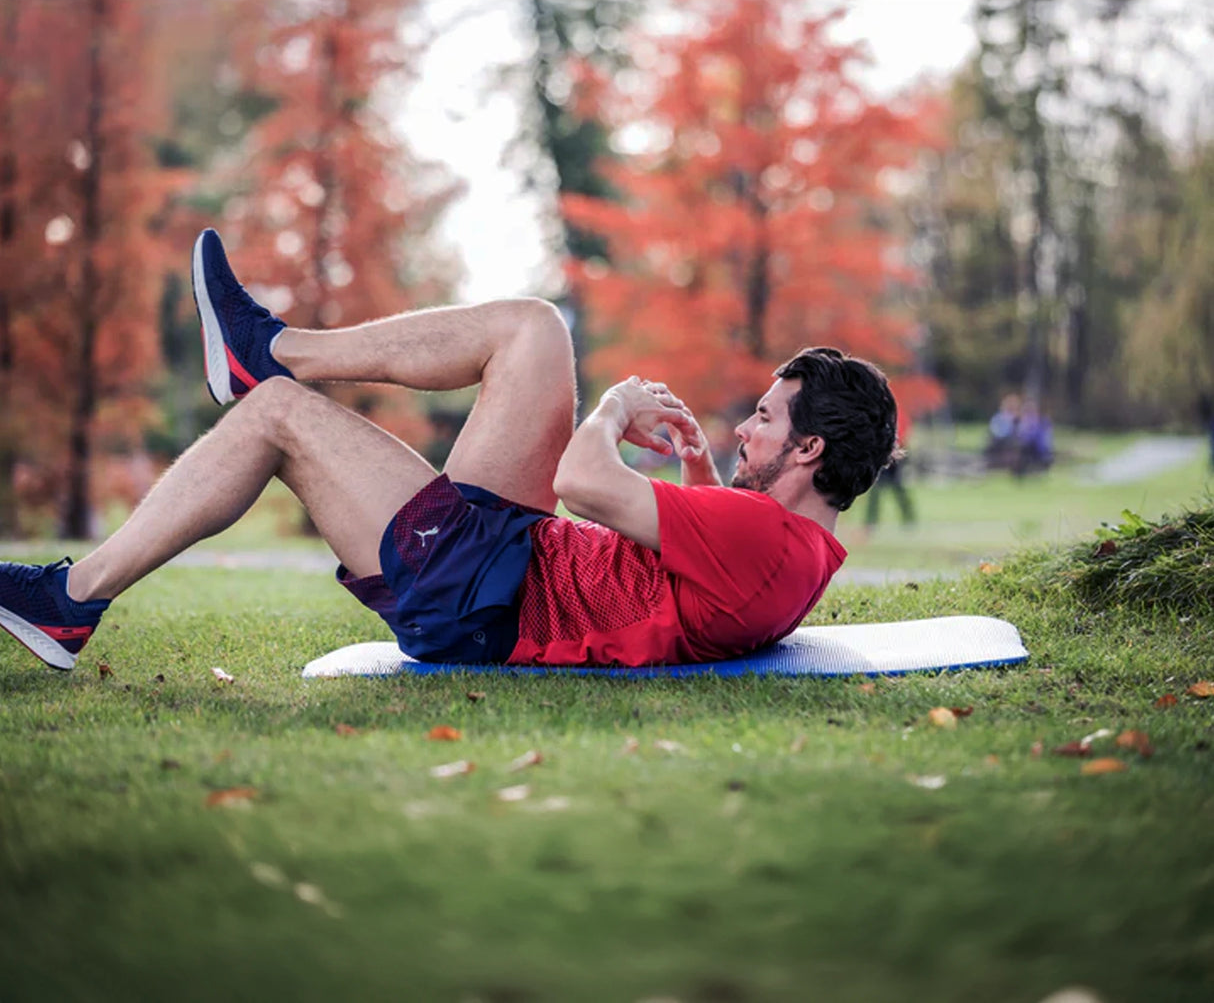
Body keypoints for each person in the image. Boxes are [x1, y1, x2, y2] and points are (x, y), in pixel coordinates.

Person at [0, 229, 898, 673]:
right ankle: (265, 346)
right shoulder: (792, 548)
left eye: (770, 421)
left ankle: (70, 602)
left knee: (279, 414)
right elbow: (692, 576)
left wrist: (615, 409)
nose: (748, 427)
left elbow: (580, 482)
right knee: (534, 329)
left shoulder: (762, 542)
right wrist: (704, 474)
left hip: (482, 596)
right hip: (512, 558)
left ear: (812, 449)